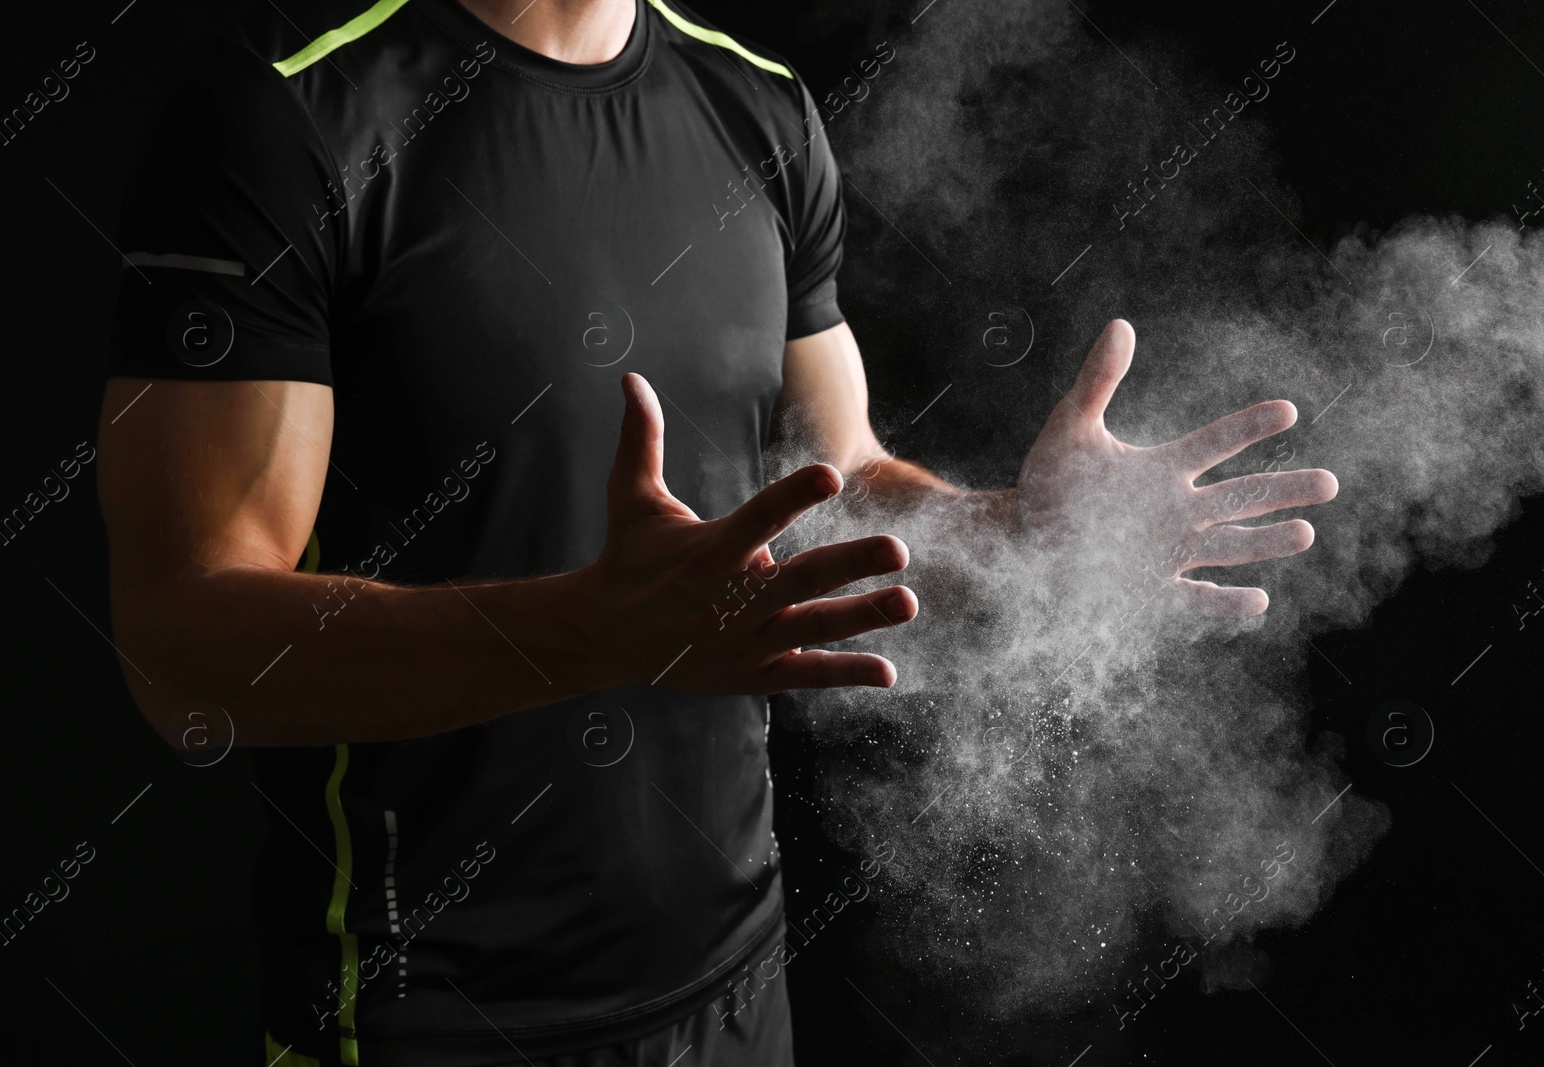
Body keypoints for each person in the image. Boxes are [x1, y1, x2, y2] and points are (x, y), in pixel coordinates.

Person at [96, 0, 1337, 1063]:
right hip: (424, 1014)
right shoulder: (285, 118)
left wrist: (1017, 538)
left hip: (733, 989)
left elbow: (838, 475)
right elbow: (184, 641)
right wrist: (585, 636)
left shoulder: (758, 108)